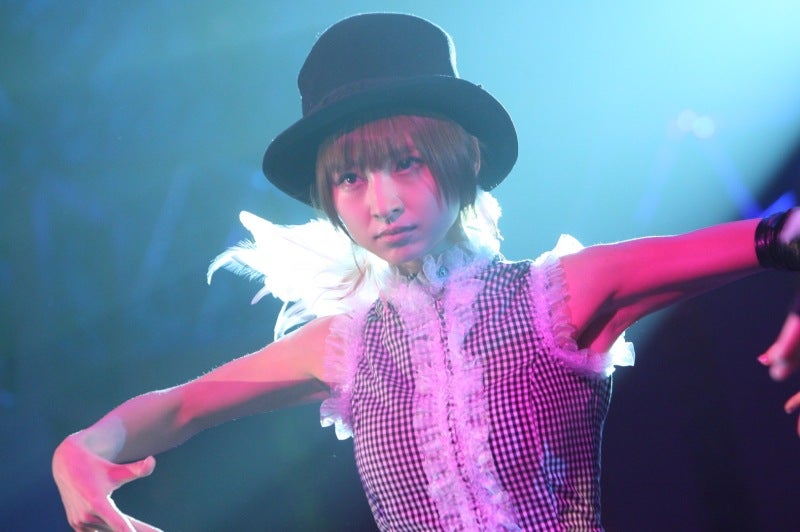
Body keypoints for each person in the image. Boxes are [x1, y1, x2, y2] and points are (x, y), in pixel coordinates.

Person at [52, 13, 800, 531]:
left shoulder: (559, 295)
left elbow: (777, 238)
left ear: (463, 159)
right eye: (350, 179)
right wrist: (77, 452)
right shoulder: (345, 347)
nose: (381, 202)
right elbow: (179, 409)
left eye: (406, 163)